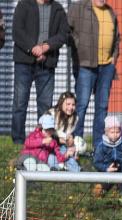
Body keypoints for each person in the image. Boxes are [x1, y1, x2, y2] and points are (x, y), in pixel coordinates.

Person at [11, 0, 69, 145]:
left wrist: (47, 46)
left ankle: (43, 139)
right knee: (20, 103)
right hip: (24, 62)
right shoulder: (23, 4)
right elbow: (17, 31)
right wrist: (33, 48)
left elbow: (63, 34)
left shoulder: (58, 9)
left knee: (45, 106)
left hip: (47, 63)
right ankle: (18, 141)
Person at [68, 0, 120, 142]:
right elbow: (67, 31)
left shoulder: (110, 12)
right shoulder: (78, 8)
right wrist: (79, 47)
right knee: (81, 105)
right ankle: (76, 141)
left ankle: (99, 143)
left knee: (102, 106)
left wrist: (114, 57)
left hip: (107, 66)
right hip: (85, 64)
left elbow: (117, 38)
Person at [91, 115, 122, 199]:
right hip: (108, 170)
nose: (115, 135)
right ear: (106, 132)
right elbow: (97, 162)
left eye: (118, 132)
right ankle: (99, 191)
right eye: (112, 132)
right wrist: (106, 168)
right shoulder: (101, 146)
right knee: (105, 182)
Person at [48, 91, 85, 169]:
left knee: (70, 157)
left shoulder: (75, 118)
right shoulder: (52, 113)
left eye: (73, 105)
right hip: (49, 145)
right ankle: (57, 169)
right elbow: (50, 133)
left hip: (62, 146)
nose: (71, 107)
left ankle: (77, 172)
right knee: (51, 158)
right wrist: (64, 139)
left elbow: (67, 137)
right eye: (68, 104)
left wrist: (72, 145)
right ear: (61, 103)